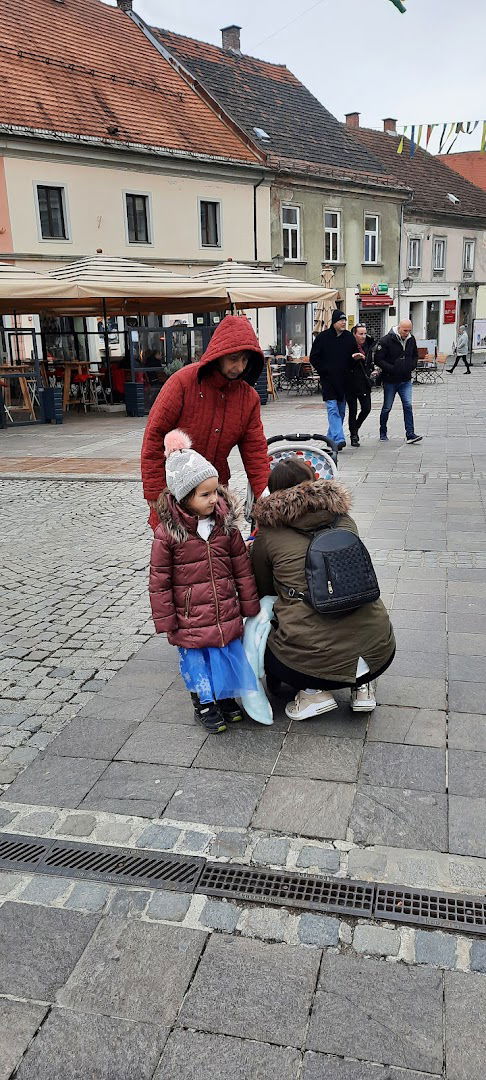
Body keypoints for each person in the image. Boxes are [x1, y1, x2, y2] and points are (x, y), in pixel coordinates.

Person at [251, 456, 395, 719]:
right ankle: (362, 686)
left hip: (308, 660)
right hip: (380, 650)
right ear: (314, 482)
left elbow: (263, 589)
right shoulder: (344, 520)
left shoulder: (268, 535)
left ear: (273, 493)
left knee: (268, 636)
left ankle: (313, 691)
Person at [149, 430, 260, 733]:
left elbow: (241, 567)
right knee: (198, 661)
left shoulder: (225, 526)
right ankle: (204, 703)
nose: (214, 499)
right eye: (205, 494)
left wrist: (248, 603)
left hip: (224, 607)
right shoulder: (169, 534)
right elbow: (159, 581)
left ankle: (224, 698)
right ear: (184, 497)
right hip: (190, 614)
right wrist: (166, 619)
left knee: (224, 655)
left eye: (216, 492)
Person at [141, 315, 270, 531]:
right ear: (218, 355)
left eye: (245, 360)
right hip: (175, 493)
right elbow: (154, 436)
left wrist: (266, 500)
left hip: (213, 495)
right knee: (176, 557)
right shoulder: (182, 383)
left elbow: (255, 452)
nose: (239, 367)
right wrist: (156, 495)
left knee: (215, 554)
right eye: (234, 358)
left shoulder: (248, 399)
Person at [310, 310, 358, 450]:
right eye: (340, 320)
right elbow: (314, 357)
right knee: (333, 410)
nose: (343, 322)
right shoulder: (323, 337)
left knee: (341, 411)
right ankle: (339, 438)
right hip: (328, 380)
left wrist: (356, 359)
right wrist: (324, 370)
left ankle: (330, 439)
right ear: (334, 322)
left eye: (345, 320)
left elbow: (353, 357)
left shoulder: (349, 337)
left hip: (344, 381)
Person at [375, 319, 422, 444]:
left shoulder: (411, 339)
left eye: (409, 330)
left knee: (408, 405)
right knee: (387, 407)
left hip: (405, 379)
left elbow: (415, 355)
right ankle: (383, 432)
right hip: (390, 380)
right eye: (405, 330)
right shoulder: (386, 340)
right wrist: (392, 368)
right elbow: (378, 359)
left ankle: (410, 434)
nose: (407, 333)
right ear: (399, 328)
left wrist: (411, 366)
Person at [345, 324, 373, 447]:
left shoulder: (369, 345)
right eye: (360, 334)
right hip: (350, 382)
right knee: (353, 410)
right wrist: (353, 359)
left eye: (364, 334)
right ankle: (353, 436)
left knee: (366, 408)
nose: (363, 336)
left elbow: (371, 361)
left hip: (364, 382)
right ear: (354, 334)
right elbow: (343, 364)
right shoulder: (348, 346)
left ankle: (355, 427)